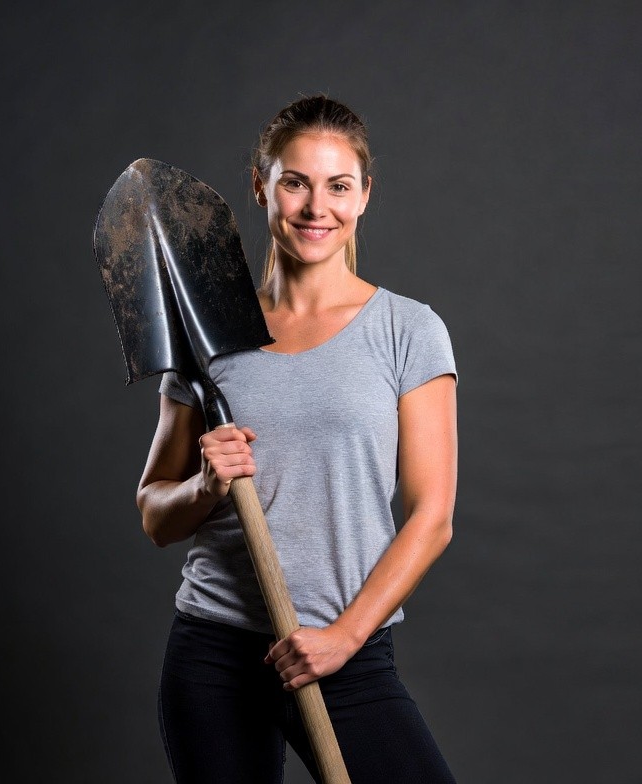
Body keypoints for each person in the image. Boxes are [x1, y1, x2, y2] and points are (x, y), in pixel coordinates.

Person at [136, 94, 458, 783]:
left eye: (339, 185)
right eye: (295, 182)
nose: (318, 208)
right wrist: (205, 483)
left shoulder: (407, 331)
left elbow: (432, 517)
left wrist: (343, 639)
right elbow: (155, 515)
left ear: (364, 196)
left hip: (346, 649)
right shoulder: (206, 335)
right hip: (214, 657)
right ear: (261, 185)